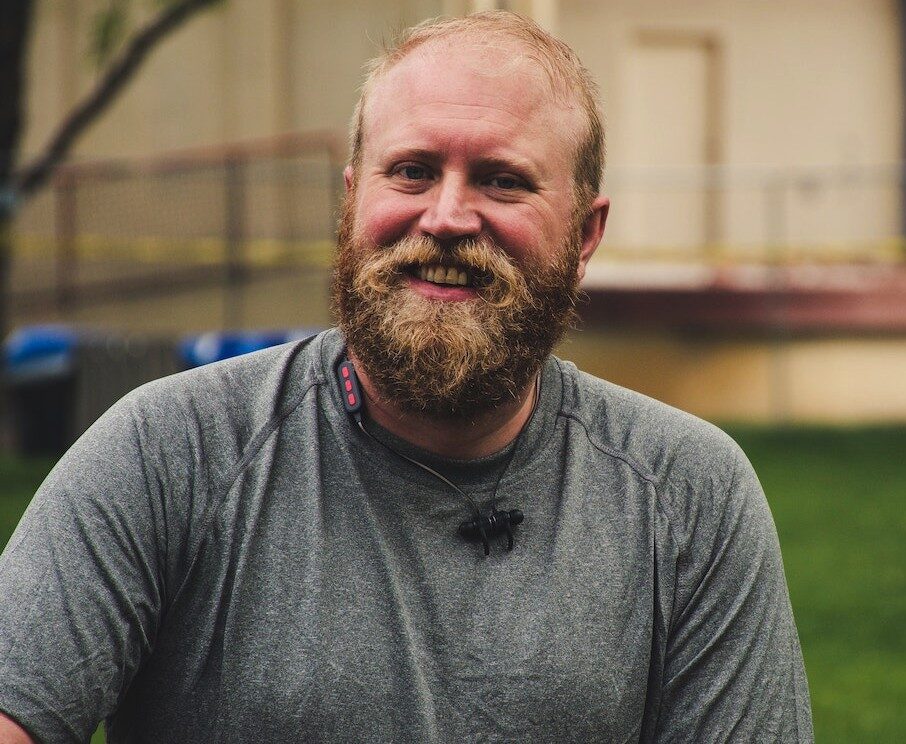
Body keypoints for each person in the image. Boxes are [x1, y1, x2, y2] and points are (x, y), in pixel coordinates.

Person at [0, 11, 812, 743]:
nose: (448, 218)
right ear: (353, 202)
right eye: (413, 170)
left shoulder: (687, 498)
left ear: (585, 232)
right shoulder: (168, 454)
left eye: (503, 178)